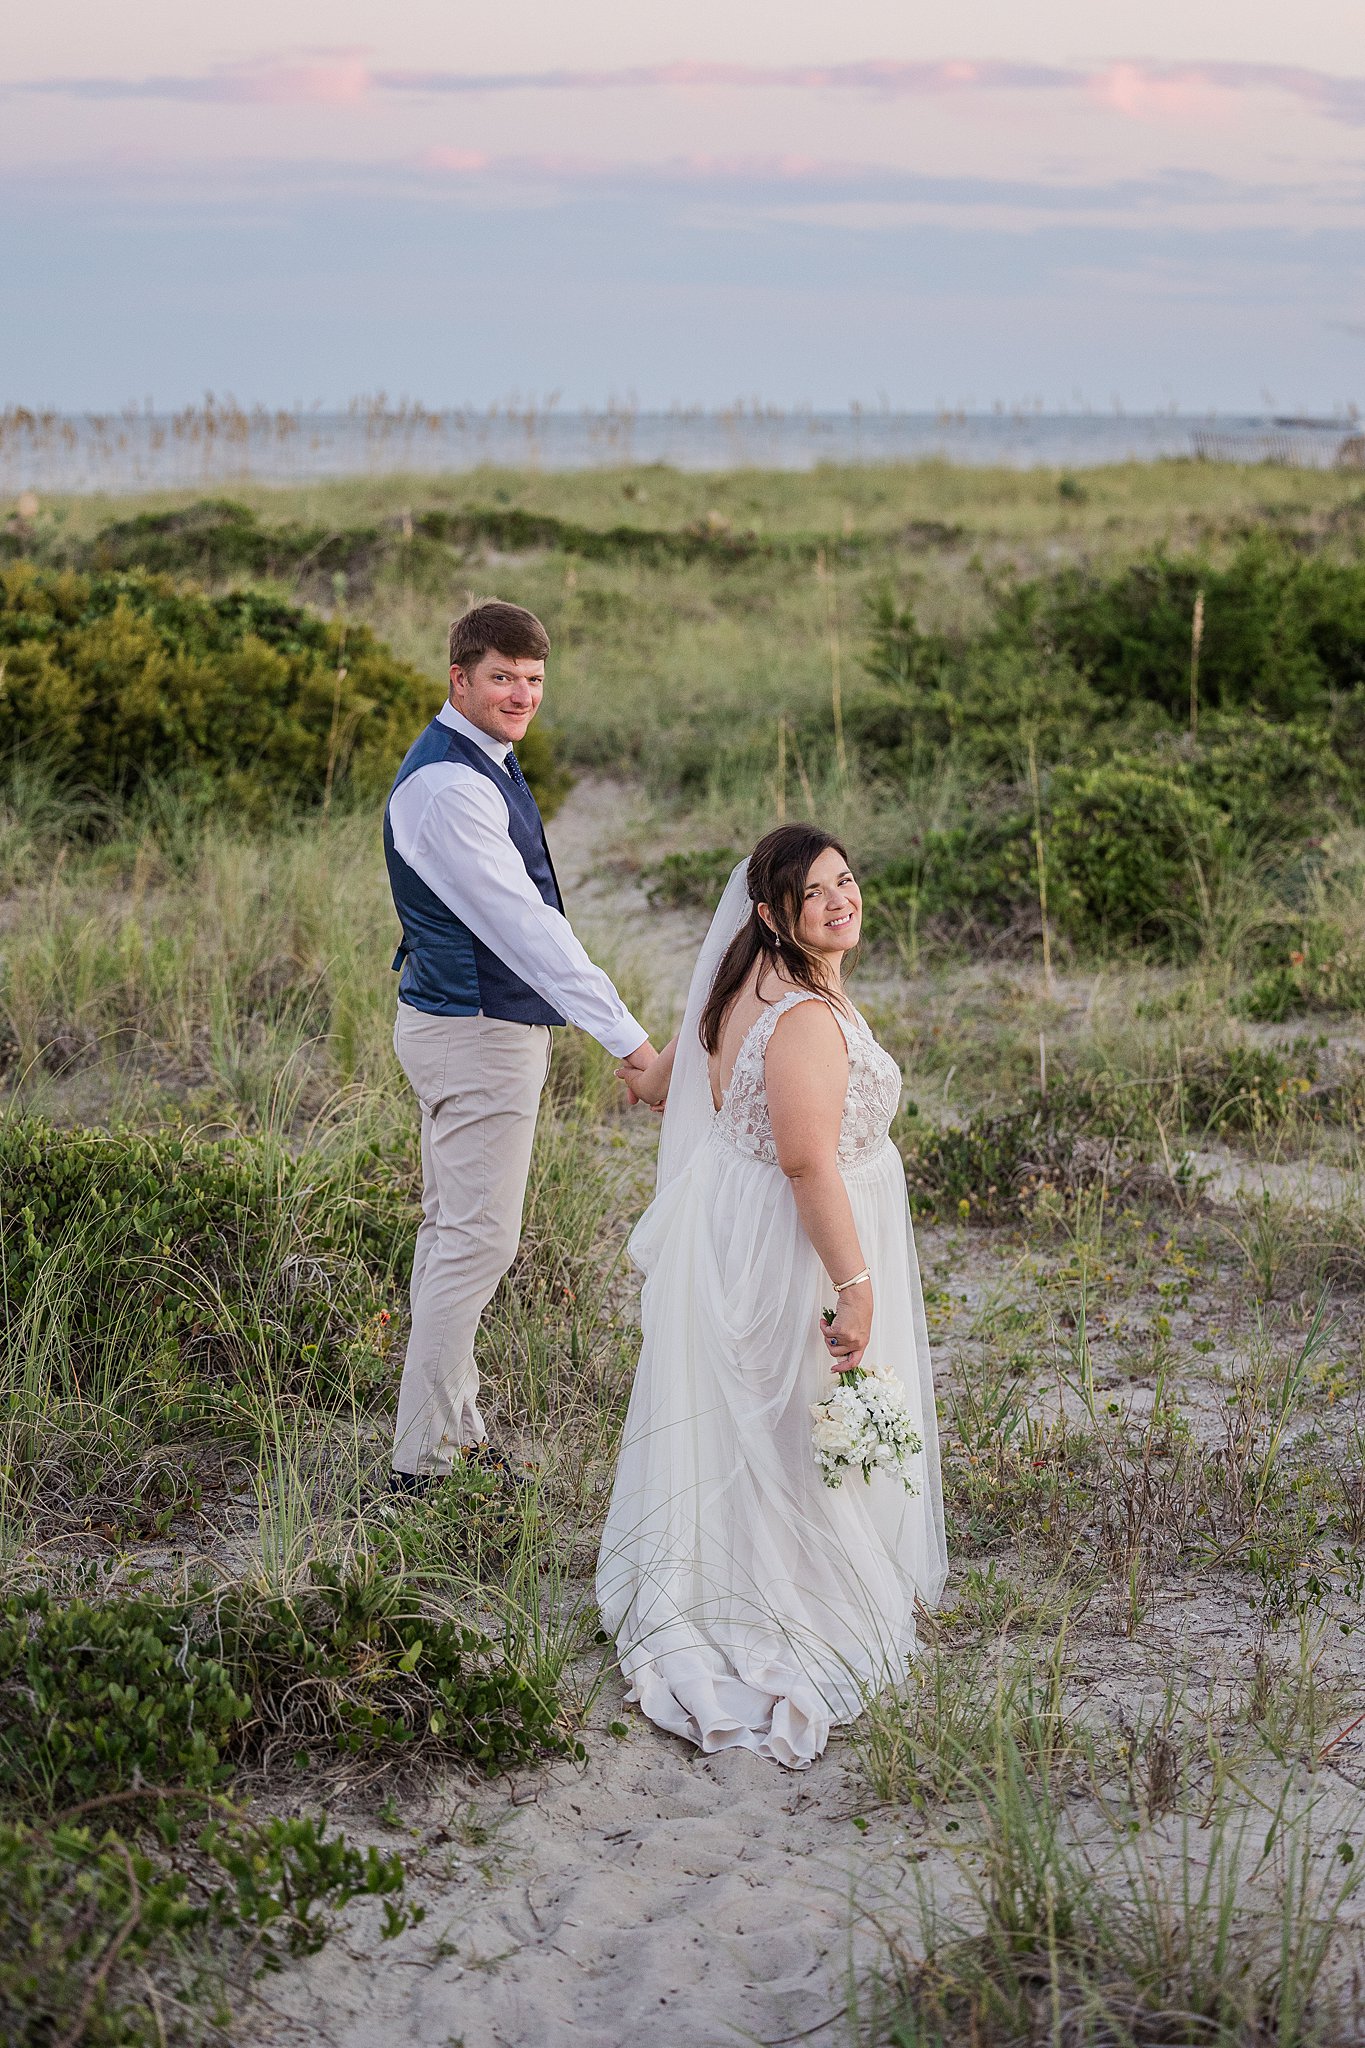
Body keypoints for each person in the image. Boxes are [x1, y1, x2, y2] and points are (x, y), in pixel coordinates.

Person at [596, 825, 947, 1767]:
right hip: (794, 1239)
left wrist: (650, 1073)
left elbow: (666, 1080)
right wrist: (856, 1283)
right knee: (795, 1409)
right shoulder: (799, 1016)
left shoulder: (737, 982)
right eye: (814, 893)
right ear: (769, 915)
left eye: (846, 879)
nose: (840, 900)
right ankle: (789, 1593)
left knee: (756, 1410)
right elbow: (805, 1159)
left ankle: (750, 1568)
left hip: (737, 1225)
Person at [383, 599, 655, 1494]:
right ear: (457, 678)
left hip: (469, 1028)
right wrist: (628, 1040)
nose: (520, 694)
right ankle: (423, 1463)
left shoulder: (479, 763)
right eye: (501, 677)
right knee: (478, 1242)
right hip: (474, 1035)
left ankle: (452, 1431)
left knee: (452, 1233)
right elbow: (524, 929)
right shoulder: (451, 786)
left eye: (533, 680)